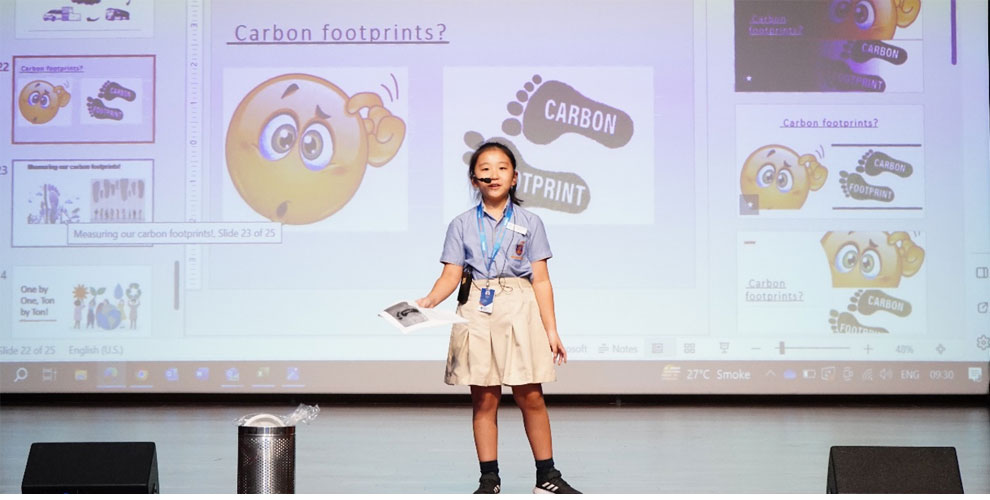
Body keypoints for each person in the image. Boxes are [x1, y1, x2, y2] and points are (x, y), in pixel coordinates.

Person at [418, 142, 581, 494]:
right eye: (486, 169)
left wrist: (552, 330)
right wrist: (429, 300)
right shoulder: (461, 225)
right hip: (476, 307)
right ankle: (489, 478)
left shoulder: (530, 222)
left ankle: (547, 476)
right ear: (474, 179)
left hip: (520, 307)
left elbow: (541, 279)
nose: (494, 174)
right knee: (485, 397)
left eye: (502, 167)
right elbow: (451, 275)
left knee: (531, 394)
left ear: (515, 177)